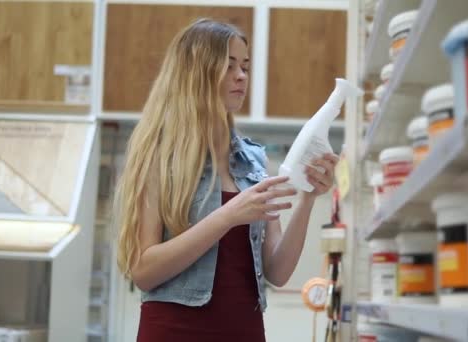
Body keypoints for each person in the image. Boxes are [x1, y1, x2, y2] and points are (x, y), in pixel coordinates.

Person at [114, 18, 339, 341]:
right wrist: (228, 216)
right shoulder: (159, 157)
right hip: (173, 332)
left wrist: (307, 197)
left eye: (245, 66)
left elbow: (277, 272)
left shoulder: (253, 161)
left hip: (244, 331)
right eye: (229, 65)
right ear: (196, 72)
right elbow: (143, 272)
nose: (241, 76)